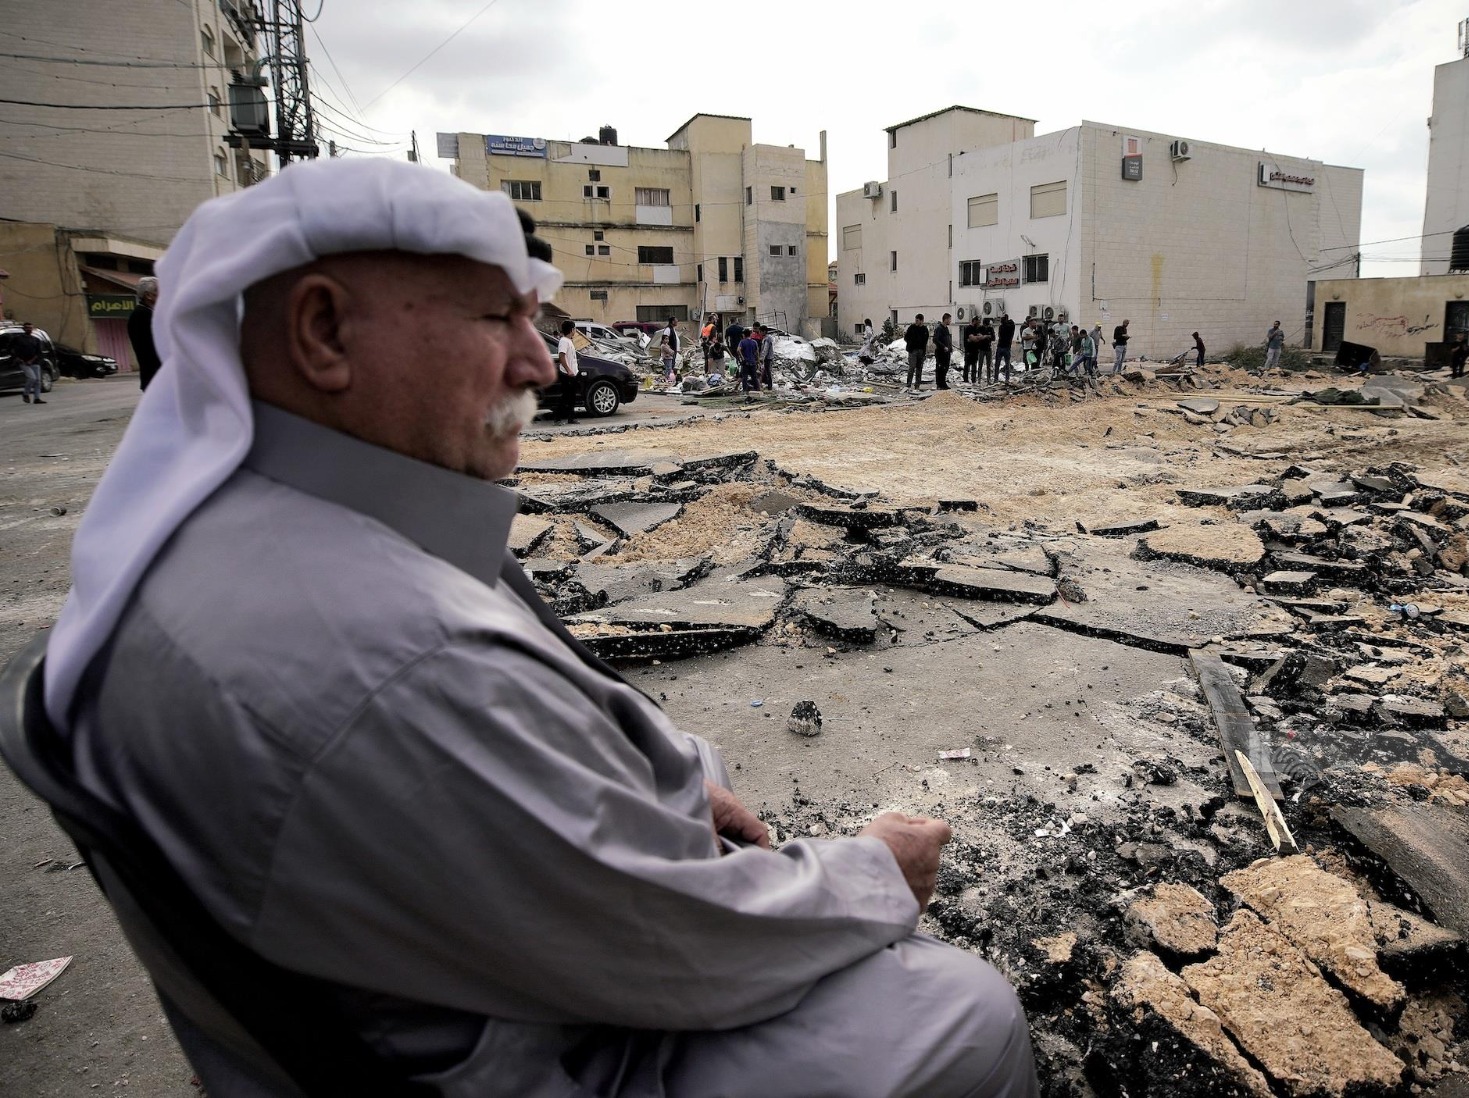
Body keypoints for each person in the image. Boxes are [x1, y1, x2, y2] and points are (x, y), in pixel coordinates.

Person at [42, 158, 1037, 1097]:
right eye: (500, 317)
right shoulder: (388, 656)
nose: (540, 361)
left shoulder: (284, 534)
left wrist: (683, 772)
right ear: (324, 335)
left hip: (446, 984)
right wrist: (874, 874)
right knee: (965, 1013)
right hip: (542, 1050)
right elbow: (678, 946)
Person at [129, 277, 162, 390]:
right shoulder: (143, 316)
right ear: (149, 296)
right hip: (156, 379)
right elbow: (153, 349)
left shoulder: (149, 314)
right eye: (159, 291)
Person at [552, 319, 581, 424]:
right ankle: (557, 418)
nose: (575, 331)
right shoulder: (564, 341)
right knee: (565, 397)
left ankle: (571, 418)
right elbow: (561, 356)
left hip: (573, 373)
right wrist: (568, 370)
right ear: (572, 329)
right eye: (575, 329)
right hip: (567, 374)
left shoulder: (569, 341)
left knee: (572, 397)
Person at [13, 321, 47, 405]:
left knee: (38, 381)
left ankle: (37, 398)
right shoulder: (18, 339)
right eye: (27, 328)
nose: (29, 329)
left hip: (34, 362)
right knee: (32, 378)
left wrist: (31, 360)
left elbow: (38, 352)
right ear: (23, 329)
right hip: (23, 362)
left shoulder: (36, 340)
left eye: (30, 328)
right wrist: (17, 358)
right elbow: (11, 349)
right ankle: (25, 393)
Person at [904, 313, 929, 389]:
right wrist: (911, 344)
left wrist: (924, 352)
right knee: (911, 367)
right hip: (912, 350)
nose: (916, 322)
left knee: (919, 368)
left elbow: (925, 341)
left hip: (921, 351)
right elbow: (906, 337)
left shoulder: (924, 329)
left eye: (917, 320)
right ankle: (908, 384)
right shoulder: (912, 328)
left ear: (922, 321)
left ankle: (917, 385)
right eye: (916, 320)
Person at [738, 324, 763, 398]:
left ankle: (745, 391)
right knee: (754, 377)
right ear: (750, 334)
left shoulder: (742, 342)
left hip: (745, 362)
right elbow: (757, 353)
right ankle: (757, 390)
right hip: (753, 362)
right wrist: (758, 362)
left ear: (743, 335)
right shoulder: (754, 342)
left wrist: (742, 358)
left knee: (744, 377)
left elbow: (738, 350)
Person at [933, 312, 953, 389]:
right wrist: (943, 347)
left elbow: (948, 339)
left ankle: (943, 383)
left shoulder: (946, 329)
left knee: (945, 368)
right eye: (949, 320)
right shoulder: (939, 329)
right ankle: (939, 384)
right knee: (940, 368)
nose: (950, 321)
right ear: (945, 319)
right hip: (940, 352)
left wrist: (950, 347)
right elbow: (935, 340)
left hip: (947, 352)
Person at [994, 313, 1015, 382]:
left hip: (1000, 346)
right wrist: (1008, 320)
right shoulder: (1010, 327)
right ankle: (1007, 379)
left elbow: (999, 335)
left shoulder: (1001, 327)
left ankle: (996, 379)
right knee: (1007, 364)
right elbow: (1012, 323)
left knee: (997, 364)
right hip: (1007, 347)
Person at [660, 316, 680, 383]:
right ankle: (667, 378)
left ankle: (670, 378)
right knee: (668, 367)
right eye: (676, 321)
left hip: (672, 352)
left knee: (671, 366)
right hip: (669, 353)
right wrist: (669, 350)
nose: (677, 322)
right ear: (672, 321)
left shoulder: (672, 329)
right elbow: (664, 339)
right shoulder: (668, 329)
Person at [758, 322, 777, 391]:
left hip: (768, 358)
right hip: (768, 357)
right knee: (766, 371)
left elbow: (765, 349)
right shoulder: (766, 338)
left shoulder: (767, 339)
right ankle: (768, 384)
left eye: (760, 331)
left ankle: (770, 386)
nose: (759, 333)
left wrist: (761, 358)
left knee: (768, 371)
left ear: (764, 331)